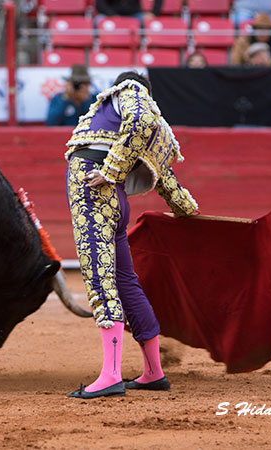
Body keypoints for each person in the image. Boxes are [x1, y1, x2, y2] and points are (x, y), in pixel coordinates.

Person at [64, 71, 198, 399]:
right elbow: (167, 181)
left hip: (94, 195)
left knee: (101, 281)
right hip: (115, 200)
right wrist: (186, 209)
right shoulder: (156, 130)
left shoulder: (129, 91)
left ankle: (111, 375)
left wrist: (110, 170)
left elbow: (139, 120)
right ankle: (153, 372)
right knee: (126, 283)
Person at [95, 0, 162, 24]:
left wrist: (154, 13)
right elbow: (100, 4)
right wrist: (112, 15)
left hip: (135, 15)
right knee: (98, 20)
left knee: (149, 22)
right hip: (111, 14)